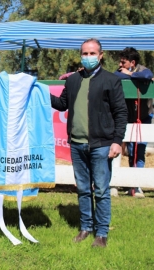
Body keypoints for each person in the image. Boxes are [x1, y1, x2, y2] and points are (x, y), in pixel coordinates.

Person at [50, 38, 128, 248]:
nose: (88, 57)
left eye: (93, 53)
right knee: (83, 188)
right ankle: (86, 227)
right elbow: (62, 104)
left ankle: (101, 233)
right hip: (76, 144)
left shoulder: (111, 80)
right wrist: (40, 92)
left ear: (101, 55)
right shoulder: (73, 80)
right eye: (85, 53)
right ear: (80, 55)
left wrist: (117, 141)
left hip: (102, 145)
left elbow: (121, 113)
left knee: (101, 190)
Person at [114, 47, 154, 198]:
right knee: (127, 149)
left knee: (140, 149)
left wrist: (130, 74)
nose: (120, 64)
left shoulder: (142, 69)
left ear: (132, 62)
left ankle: (137, 184)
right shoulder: (119, 71)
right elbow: (116, 77)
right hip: (127, 117)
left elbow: (147, 75)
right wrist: (131, 76)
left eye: (123, 62)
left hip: (143, 117)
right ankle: (125, 182)